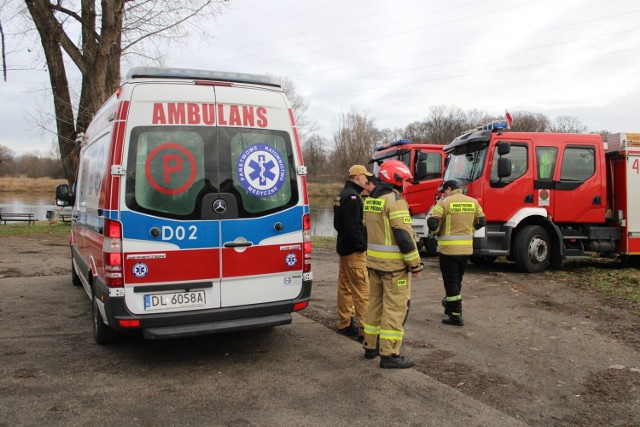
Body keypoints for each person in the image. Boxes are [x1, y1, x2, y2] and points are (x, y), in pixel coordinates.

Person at [362, 160, 423, 369]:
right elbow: (404, 236)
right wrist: (415, 264)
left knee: (374, 305)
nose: (406, 185)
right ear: (396, 180)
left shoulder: (371, 199)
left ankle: (370, 346)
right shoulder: (395, 201)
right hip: (394, 268)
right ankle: (389, 354)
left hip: (374, 264)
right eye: (405, 181)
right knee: (395, 309)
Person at [427, 179, 486, 326]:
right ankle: (450, 305)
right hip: (466, 249)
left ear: (448, 189)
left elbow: (432, 222)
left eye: (443, 192)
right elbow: (482, 221)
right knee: (457, 280)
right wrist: (470, 230)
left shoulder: (444, 203)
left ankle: (456, 315)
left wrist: (436, 232)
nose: (443, 194)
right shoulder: (473, 202)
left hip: (449, 250)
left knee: (451, 282)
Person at [333, 164, 372, 339]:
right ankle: (366, 331)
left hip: (344, 249)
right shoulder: (354, 198)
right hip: (354, 251)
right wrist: (362, 245)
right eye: (365, 177)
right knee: (362, 290)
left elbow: (338, 225)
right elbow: (354, 226)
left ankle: (344, 323)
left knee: (345, 287)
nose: (367, 180)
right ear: (357, 177)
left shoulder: (342, 194)